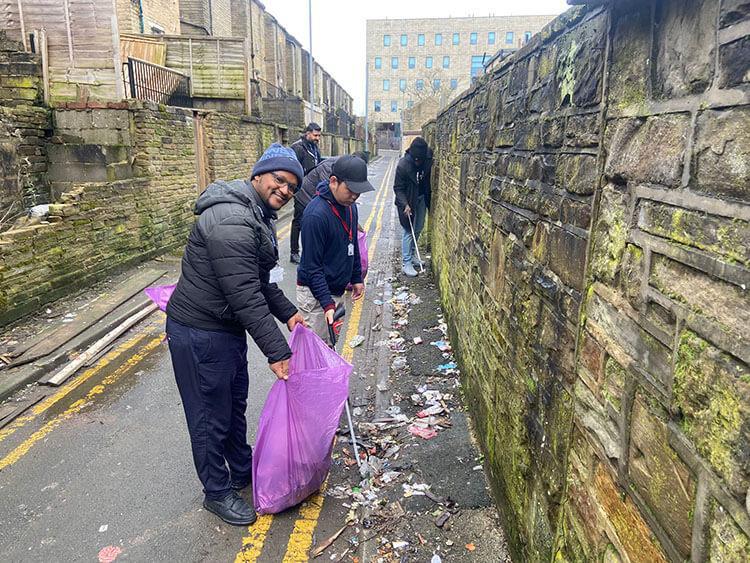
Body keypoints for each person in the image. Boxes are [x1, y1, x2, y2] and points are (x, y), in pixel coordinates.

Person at [165, 143, 306, 527]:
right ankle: (216, 491)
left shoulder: (255, 213)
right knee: (209, 415)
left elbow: (260, 281)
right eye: (279, 180)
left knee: (233, 404)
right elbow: (245, 294)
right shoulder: (231, 220)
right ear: (258, 174)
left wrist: (290, 314)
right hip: (199, 332)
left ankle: (240, 466)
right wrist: (278, 351)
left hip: (223, 330)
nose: (285, 190)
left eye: (292, 186)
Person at [296, 155, 374, 340]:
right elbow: (311, 267)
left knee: (329, 346)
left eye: (359, 192)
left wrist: (356, 278)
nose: (355, 196)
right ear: (333, 182)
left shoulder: (350, 206)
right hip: (316, 296)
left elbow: (352, 243)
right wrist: (327, 303)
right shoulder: (315, 216)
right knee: (315, 354)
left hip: (335, 291)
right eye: (350, 190)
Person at [393, 137, 432, 277]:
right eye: (415, 159)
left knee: (419, 227)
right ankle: (406, 263)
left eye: (419, 160)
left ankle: (413, 255)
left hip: (421, 198)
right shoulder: (403, 166)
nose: (417, 162)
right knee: (408, 230)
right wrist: (405, 204)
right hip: (408, 201)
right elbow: (398, 188)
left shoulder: (427, 157)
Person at [289, 122, 323, 264]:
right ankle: (294, 252)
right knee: (299, 221)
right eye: (315, 135)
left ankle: (311, 251)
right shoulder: (298, 148)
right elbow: (292, 168)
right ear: (307, 133)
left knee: (311, 220)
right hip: (301, 190)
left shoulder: (314, 147)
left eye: (319, 136)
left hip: (312, 189)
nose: (317, 138)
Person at [294, 151, 369, 211]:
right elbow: (327, 190)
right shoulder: (331, 166)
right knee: (300, 221)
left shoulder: (344, 165)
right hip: (303, 193)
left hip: (313, 194)